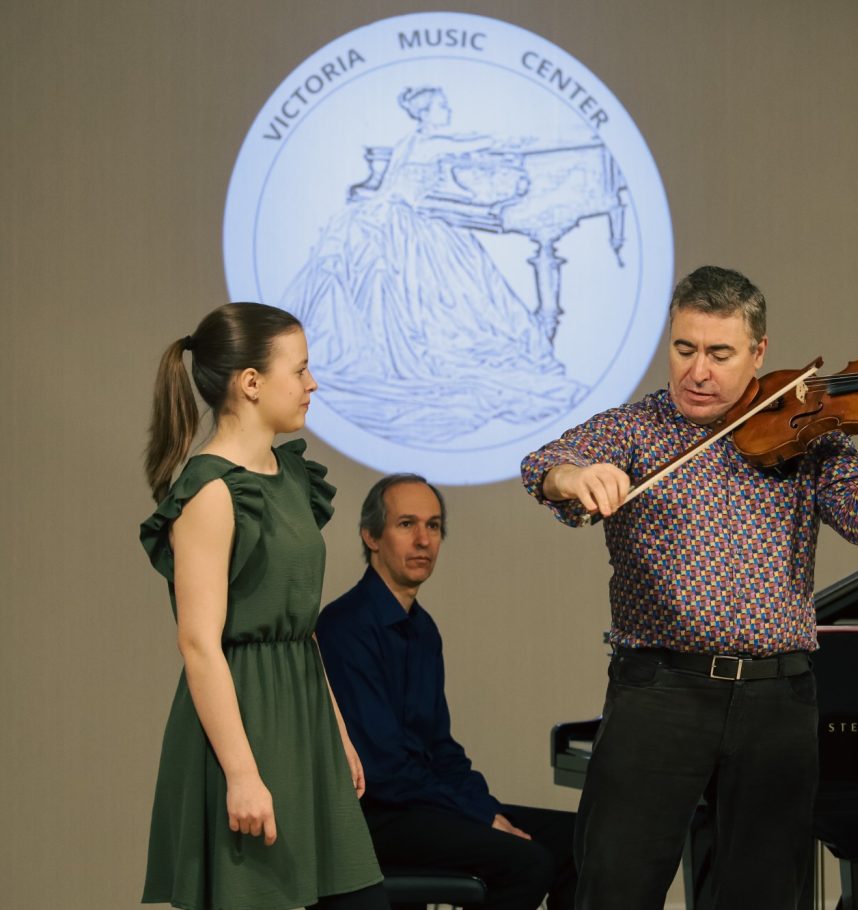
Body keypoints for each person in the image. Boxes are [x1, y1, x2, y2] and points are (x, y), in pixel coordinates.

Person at [520, 265, 858, 910]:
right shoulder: (633, 429)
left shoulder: (804, 431)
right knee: (615, 888)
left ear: (759, 352)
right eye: (684, 349)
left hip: (775, 699)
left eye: (719, 353)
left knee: (764, 896)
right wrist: (574, 477)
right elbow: (542, 466)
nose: (696, 371)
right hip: (661, 690)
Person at [139, 302, 386, 910]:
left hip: (303, 715)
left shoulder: (290, 475)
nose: (312, 384)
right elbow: (199, 644)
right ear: (250, 383)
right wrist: (242, 774)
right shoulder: (212, 491)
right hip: (244, 724)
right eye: (299, 370)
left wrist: (338, 732)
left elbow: (300, 629)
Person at [316, 474, 577, 910]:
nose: (423, 540)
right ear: (371, 536)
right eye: (406, 524)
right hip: (375, 817)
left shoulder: (423, 628)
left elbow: (440, 748)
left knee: (577, 840)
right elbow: (383, 770)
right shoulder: (346, 627)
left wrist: (485, 807)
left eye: (433, 526)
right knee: (527, 863)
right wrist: (480, 816)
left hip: (419, 805)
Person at [282, 84, 584, 446]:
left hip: (399, 213)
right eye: (441, 106)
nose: (446, 110)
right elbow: (471, 145)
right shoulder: (432, 142)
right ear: (427, 113)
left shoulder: (412, 140)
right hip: (408, 220)